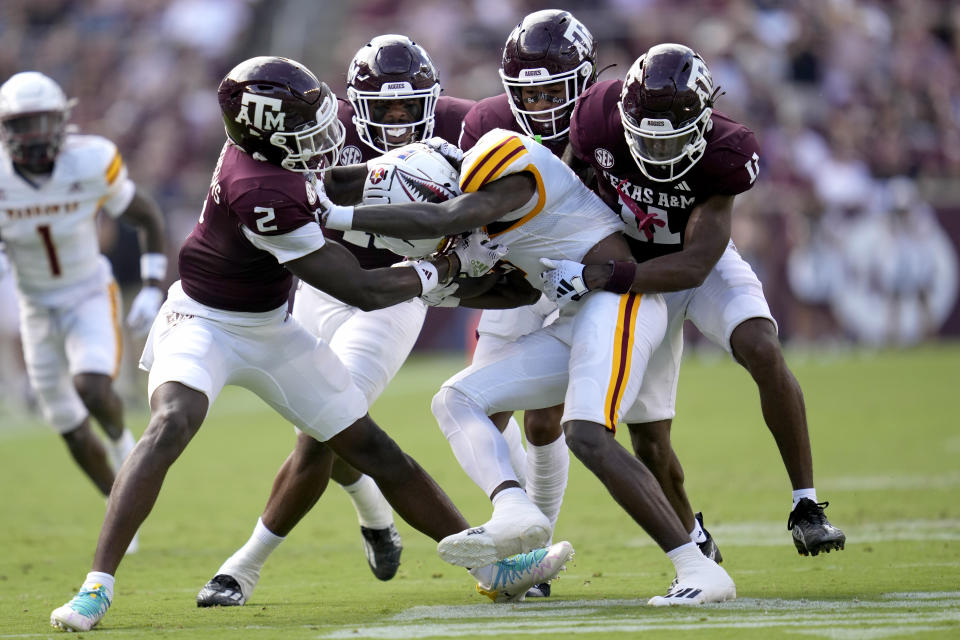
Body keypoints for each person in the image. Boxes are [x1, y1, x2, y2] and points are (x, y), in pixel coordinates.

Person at [49, 56, 574, 633]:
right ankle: (95, 587)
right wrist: (443, 267)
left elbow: (331, 193)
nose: (322, 137)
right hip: (202, 321)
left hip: (271, 327)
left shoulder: (268, 163)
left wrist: (412, 203)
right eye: (303, 128)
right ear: (263, 133)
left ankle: (494, 570)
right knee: (172, 421)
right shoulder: (259, 189)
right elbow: (362, 288)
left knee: (374, 449)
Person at [320, 126, 736, 605]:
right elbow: (520, 291)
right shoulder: (479, 215)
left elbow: (450, 213)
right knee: (456, 399)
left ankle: (697, 568)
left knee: (585, 433)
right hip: (579, 315)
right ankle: (514, 507)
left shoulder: (503, 160)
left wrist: (338, 214)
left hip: (623, 302)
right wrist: (448, 282)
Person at [195, 35, 479, 607]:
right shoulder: (320, 122)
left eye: (409, 106)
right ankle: (374, 510)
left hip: (395, 293)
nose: (398, 120)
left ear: (433, 96)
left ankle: (242, 568)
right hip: (324, 287)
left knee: (324, 426)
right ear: (353, 102)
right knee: (332, 424)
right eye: (385, 108)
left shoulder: (464, 125)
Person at [542, 43, 846, 557]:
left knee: (762, 346)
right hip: (628, 272)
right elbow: (566, 189)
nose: (659, 154)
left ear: (705, 121)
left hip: (681, 263)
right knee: (651, 443)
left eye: (672, 142)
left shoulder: (728, 150)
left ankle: (806, 504)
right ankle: (694, 541)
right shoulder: (595, 116)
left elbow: (696, 264)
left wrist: (599, 274)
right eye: (648, 142)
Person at [458, 11, 722, 593]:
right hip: (525, 271)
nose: (546, 103)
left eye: (557, 87)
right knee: (485, 405)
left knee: (642, 435)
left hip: (612, 276)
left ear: (586, 77)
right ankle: (530, 545)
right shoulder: (488, 124)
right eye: (531, 91)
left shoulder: (610, 114)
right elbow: (470, 222)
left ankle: (689, 539)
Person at [0, 71, 166, 536]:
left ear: (62, 121)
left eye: (41, 122)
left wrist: (153, 284)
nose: (33, 136)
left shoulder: (90, 161)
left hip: (88, 292)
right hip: (34, 305)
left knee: (93, 386)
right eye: (22, 124)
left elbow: (145, 213)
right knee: (70, 429)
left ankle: (120, 441)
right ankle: (119, 512)